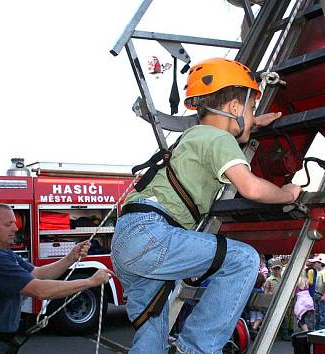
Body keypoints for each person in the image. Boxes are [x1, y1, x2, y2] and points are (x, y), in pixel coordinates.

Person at [111, 57, 302, 354]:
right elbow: (250, 187)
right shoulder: (219, 138)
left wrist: (252, 124)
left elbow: (217, 149)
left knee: (152, 328)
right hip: (153, 234)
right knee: (243, 260)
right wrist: (287, 194)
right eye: (252, 109)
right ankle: (197, 349)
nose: (254, 115)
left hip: (128, 238)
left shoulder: (194, 136)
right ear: (235, 109)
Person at [0, 204, 112, 354]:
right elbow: (39, 290)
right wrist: (90, 282)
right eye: (8, 224)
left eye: (14, 223)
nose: (15, 228)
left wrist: (70, 258)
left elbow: (38, 273)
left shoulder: (4, 253)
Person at [311, 255, 325, 330]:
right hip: (316, 295)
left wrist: (324, 296)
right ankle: (317, 328)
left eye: (315, 263)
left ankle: (322, 328)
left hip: (321, 296)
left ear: (320, 263)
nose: (314, 264)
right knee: (317, 313)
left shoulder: (324, 273)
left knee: (322, 313)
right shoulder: (317, 272)